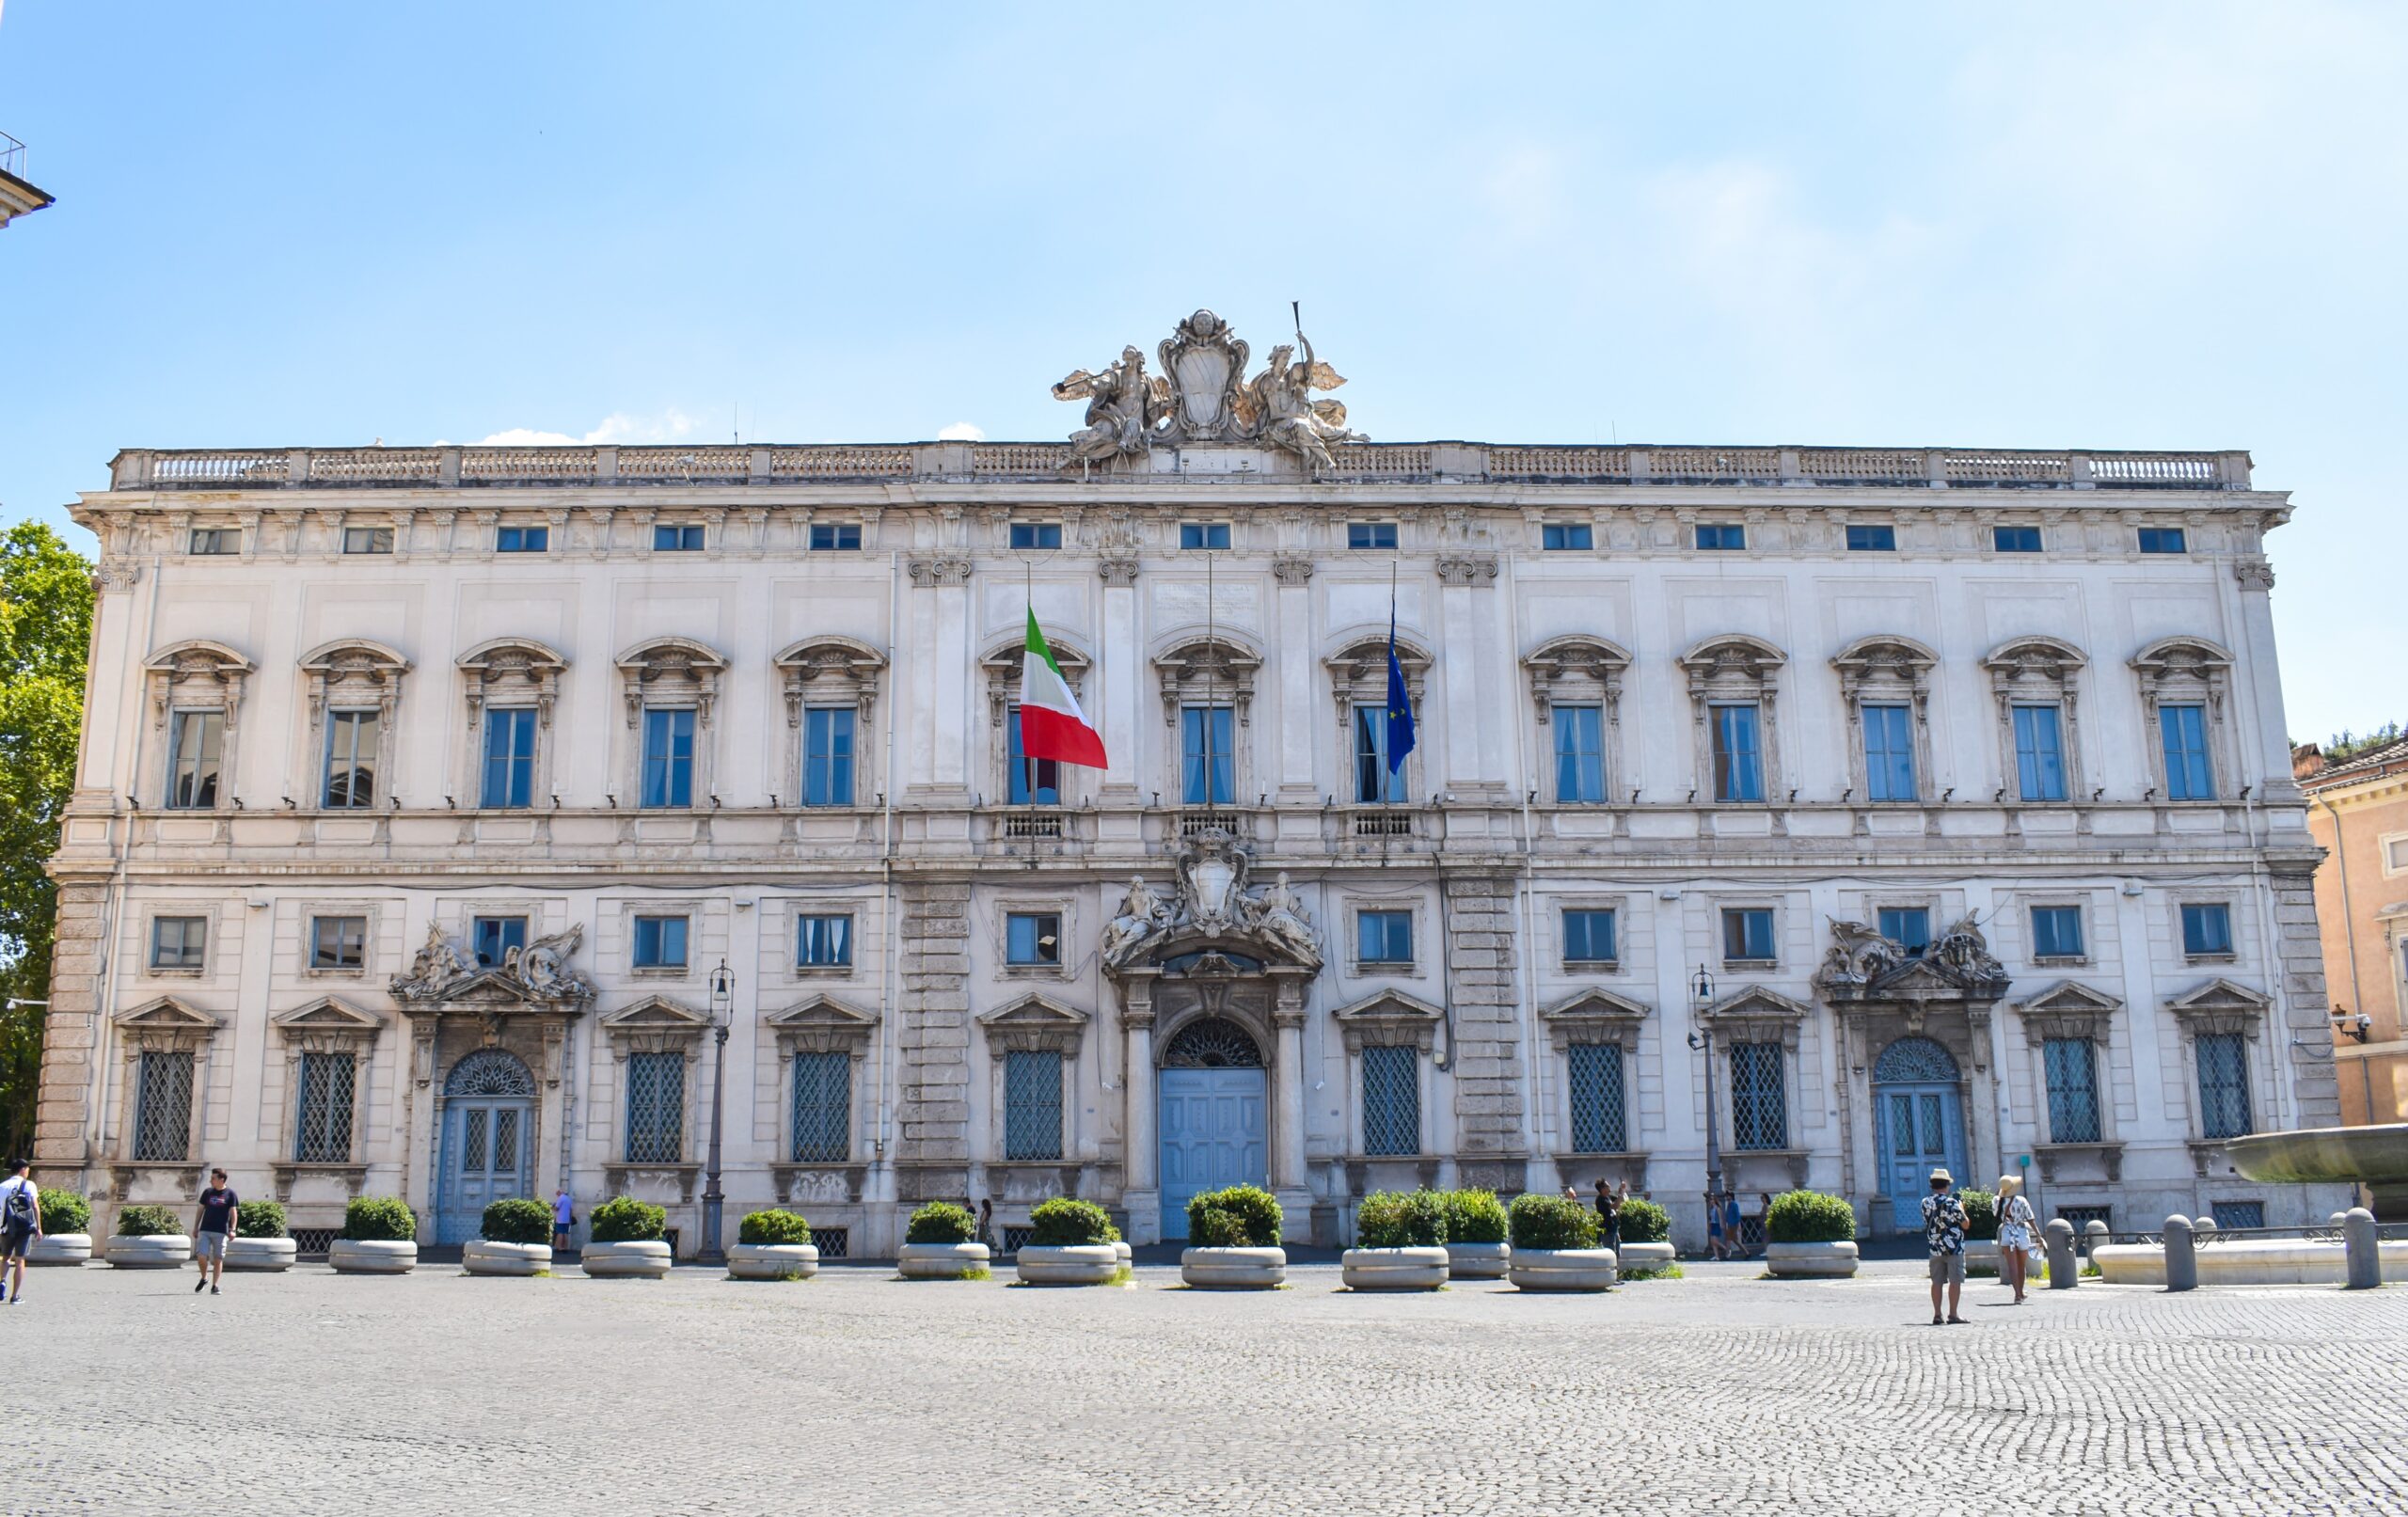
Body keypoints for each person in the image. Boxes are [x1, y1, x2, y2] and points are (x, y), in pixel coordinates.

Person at [1923, 1167, 1970, 1324]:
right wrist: (1962, 1209)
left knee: (1936, 1282)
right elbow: (1965, 1224)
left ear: (1932, 1185)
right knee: (1955, 1280)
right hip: (1954, 1247)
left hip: (1935, 1247)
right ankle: (1953, 1314)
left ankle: (1937, 1314)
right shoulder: (1952, 1203)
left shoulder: (1925, 1203)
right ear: (1947, 1184)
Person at [193, 1167, 240, 1296]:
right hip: (205, 1229)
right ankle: (204, 1278)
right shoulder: (207, 1192)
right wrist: (196, 1226)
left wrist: (233, 1229)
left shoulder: (230, 1194)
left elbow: (233, 1213)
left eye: (213, 1178)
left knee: (218, 1259)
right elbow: (200, 1210)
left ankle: (215, 1285)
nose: (210, 1181)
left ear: (221, 1179)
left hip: (221, 1231)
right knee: (201, 1255)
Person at [0, 1159, 40, 1305]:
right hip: (24, 1227)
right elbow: (35, 1206)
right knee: (20, 1260)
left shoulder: (2, 1186)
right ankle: (15, 1296)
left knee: (5, 1258)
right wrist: (39, 1227)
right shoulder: (29, 1185)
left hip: (5, 1227)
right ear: (23, 1169)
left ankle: (2, 1280)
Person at [1995, 1175, 2039, 1304]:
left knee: (2012, 1266)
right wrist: (2038, 1234)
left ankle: (2017, 1295)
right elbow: (2030, 1218)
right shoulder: (2021, 1200)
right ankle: (2021, 1291)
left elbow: (1995, 1215)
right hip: (2021, 1231)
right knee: (2021, 1265)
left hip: (2007, 1232)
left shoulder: (1997, 1201)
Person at [1592, 1178, 1624, 1254]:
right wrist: (1620, 1194)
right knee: (1611, 1253)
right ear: (1602, 1189)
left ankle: (1616, 1266)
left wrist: (1622, 1189)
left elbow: (1621, 1200)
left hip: (1614, 1229)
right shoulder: (1601, 1199)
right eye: (1607, 1186)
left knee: (1617, 1253)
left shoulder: (1609, 1197)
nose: (1609, 1187)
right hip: (1607, 1231)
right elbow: (1615, 1206)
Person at [1722, 1193, 1745, 1258]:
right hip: (1730, 1224)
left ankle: (1727, 1255)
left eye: (1727, 1196)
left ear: (1731, 1197)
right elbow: (1728, 1215)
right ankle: (1747, 1253)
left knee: (1728, 1240)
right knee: (1736, 1241)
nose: (1726, 1198)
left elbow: (1737, 1216)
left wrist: (1738, 1225)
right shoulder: (1729, 1205)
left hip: (1733, 1225)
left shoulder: (1734, 1204)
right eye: (1726, 1196)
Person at [1705, 1193, 1728, 1260]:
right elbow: (1710, 1218)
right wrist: (1709, 1225)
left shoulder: (1717, 1208)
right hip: (1712, 1224)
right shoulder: (1711, 1209)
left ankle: (1726, 1249)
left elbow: (1720, 1217)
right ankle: (1716, 1256)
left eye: (1712, 1199)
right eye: (1710, 1199)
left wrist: (1721, 1225)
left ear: (1715, 1200)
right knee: (1712, 1242)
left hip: (1716, 1224)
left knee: (1715, 1241)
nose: (1711, 1201)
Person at [552, 1188, 575, 1252]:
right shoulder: (568, 1199)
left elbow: (556, 1208)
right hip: (567, 1219)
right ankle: (565, 1248)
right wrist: (570, 1219)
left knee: (560, 1233)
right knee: (565, 1233)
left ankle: (559, 1247)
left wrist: (552, 1207)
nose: (557, 1195)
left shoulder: (560, 1198)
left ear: (559, 1192)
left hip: (560, 1219)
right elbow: (571, 1210)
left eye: (557, 1194)